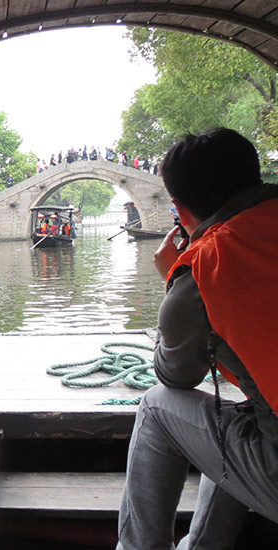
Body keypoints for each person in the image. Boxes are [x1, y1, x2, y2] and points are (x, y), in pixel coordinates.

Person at [117, 128, 278, 549]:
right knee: (242, 415)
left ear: (179, 209)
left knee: (155, 405)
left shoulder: (205, 265)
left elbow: (177, 374)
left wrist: (175, 277)